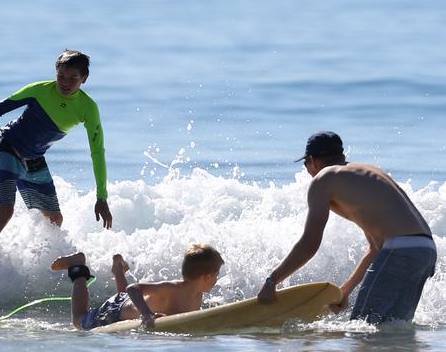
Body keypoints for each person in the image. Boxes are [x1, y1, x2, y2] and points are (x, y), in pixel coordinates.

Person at [0, 50, 113, 293]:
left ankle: (34, 268)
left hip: (33, 158)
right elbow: (0, 108)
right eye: (61, 77)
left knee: (54, 219)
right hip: (6, 146)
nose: (65, 84)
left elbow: (97, 152)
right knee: (4, 211)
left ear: (84, 78)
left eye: (72, 79)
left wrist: (102, 197)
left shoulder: (88, 108)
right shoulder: (40, 90)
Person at [257, 131, 436, 324]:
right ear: (341, 156)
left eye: (305, 164)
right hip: (425, 251)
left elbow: (310, 242)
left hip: (399, 250)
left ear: (313, 160)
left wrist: (272, 280)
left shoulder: (324, 178)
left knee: (363, 327)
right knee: (394, 329)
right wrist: (345, 291)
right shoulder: (368, 172)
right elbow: (376, 248)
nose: (307, 170)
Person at [51, 244, 224, 330]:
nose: (216, 280)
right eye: (216, 275)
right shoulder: (174, 288)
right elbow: (133, 289)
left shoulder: (198, 295)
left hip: (127, 304)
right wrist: (147, 314)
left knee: (127, 301)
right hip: (115, 311)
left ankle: (118, 269)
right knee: (79, 320)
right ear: (207, 276)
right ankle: (78, 268)